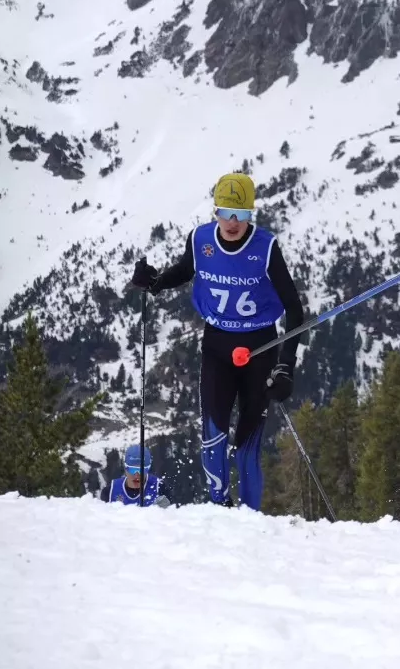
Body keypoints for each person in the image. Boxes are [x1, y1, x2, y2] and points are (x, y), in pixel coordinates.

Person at [127, 172, 306, 510]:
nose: (233, 222)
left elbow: (295, 311)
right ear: (215, 212)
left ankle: (251, 518)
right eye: (226, 212)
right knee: (213, 438)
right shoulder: (200, 240)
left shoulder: (265, 248)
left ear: (252, 215)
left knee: (248, 445)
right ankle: (219, 511)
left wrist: (285, 367)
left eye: (241, 214)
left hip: (260, 350)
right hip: (217, 348)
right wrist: (156, 282)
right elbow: (185, 269)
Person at [104, 444, 170, 507]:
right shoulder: (110, 491)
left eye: (142, 470)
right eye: (132, 470)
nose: (137, 475)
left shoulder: (159, 488)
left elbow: (172, 515)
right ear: (125, 468)